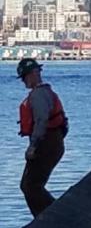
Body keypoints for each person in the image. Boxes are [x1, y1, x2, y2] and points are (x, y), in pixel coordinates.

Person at [17, 58, 68, 216]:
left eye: (25, 77)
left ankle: (50, 218)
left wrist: (33, 146)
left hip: (46, 143)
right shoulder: (45, 93)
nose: (24, 81)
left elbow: (41, 121)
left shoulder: (39, 95)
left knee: (31, 185)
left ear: (33, 74)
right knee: (31, 185)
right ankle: (49, 216)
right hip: (52, 141)